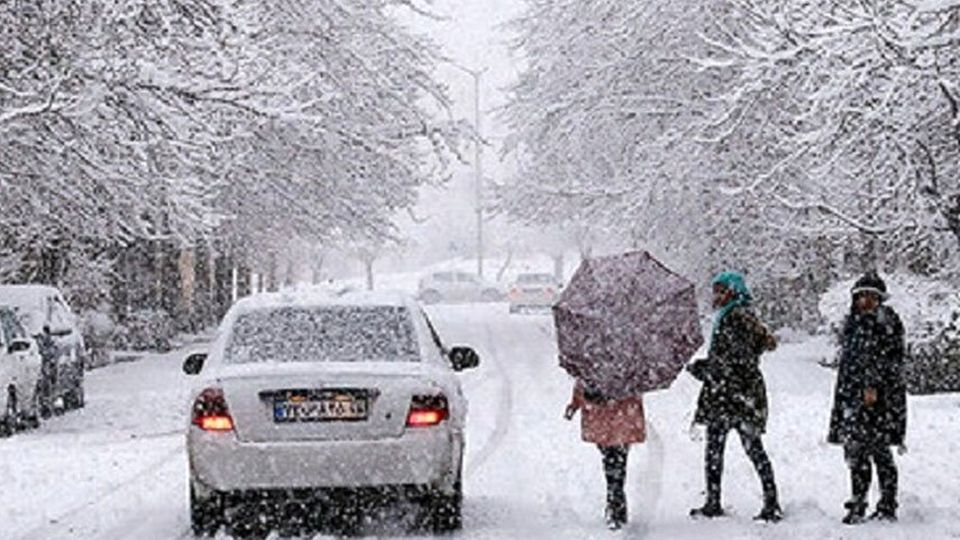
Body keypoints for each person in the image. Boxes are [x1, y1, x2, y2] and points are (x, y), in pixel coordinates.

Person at [688, 271, 782, 522]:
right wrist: (707, 366)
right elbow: (730, 358)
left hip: (736, 395)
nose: (716, 295)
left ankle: (770, 504)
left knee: (747, 449)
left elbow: (737, 361)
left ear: (733, 291)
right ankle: (716, 501)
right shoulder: (731, 316)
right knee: (723, 448)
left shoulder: (736, 318)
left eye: (720, 290)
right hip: (733, 393)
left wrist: (706, 370)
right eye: (715, 290)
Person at [827, 272, 906, 524]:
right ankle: (858, 502)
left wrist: (872, 384)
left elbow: (888, 359)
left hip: (879, 399)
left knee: (879, 451)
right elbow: (852, 359)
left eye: (871, 296)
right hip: (852, 396)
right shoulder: (853, 323)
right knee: (856, 452)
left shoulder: (887, 322)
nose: (865, 301)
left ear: (880, 298)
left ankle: (887, 504)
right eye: (861, 296)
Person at [565, 380, 645, 530]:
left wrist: (575, 404)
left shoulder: (593, 366)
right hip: (623, 419)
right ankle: (616, 503)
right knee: (617, 463)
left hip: (604, 420)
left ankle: (615, 504)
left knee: (611, 463)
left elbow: (582, 385)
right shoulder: (631, 368)